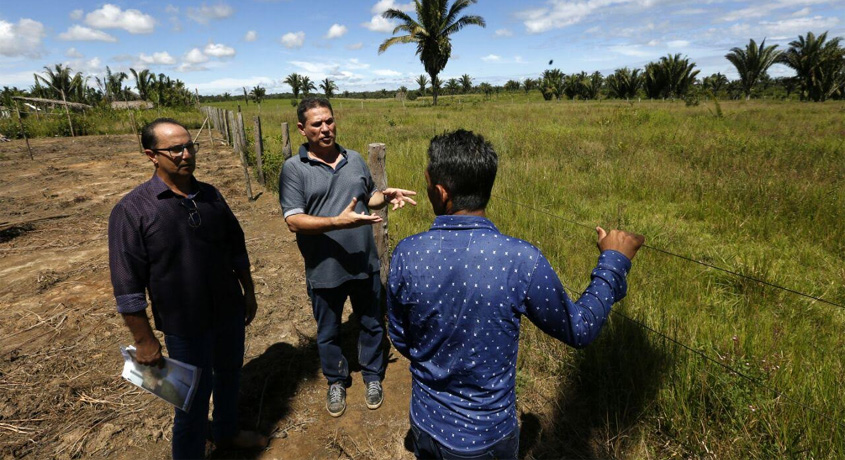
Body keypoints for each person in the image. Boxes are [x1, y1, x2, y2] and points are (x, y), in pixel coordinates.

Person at [387, 129, 645, 459]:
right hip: (486, 436)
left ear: (440, 192)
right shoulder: (520, 259)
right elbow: (579, 329)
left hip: (426, 422)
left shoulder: (407, 253)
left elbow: (400, 335)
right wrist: (613, 261)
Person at [108, 118, 268, 459]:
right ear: (152, 155)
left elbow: (236, 246)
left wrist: (248, 292)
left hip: (227, 310)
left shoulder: (209, 194)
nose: (185, 154)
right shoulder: (133, 210)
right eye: (175, 149)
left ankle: (226, 433)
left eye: (189, 146)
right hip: (184, 325)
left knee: (229, 377)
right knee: (191, 399)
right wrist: (144, 340)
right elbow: (127, 285)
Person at [279, 97, 416, 417]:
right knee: (328, 331)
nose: (325, 128)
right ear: (302, 129)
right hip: (324, 267)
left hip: (363, 261)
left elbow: (369, 198)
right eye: (317, 124)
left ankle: (372, 376)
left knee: (371, 323)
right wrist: (336, 222)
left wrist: (386, 195)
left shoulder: (354, 159)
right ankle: (336, 381)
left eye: (329, 121)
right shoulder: (294, 170)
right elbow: (293, 221)